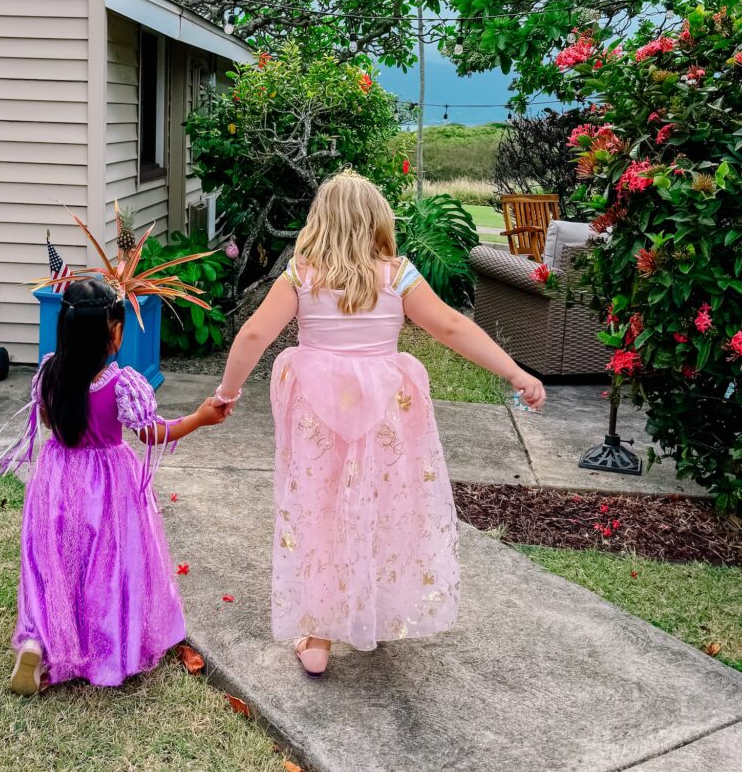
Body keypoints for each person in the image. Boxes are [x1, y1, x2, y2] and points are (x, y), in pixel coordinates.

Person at [213, 170, 545, 676]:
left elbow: (256, 333)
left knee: (320, 509)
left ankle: (318, 636)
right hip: (384, 415)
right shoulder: (397, 274)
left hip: (317, 416)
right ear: (377, 221)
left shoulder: (301, 274)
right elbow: (452, 325)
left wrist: (227, 392)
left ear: (320, 221)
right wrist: (515, 372)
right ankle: (377, 608)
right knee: (381, 503)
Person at [0, 277, 227, 695]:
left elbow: (47, 419)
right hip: (107, 485)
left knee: (56, 566)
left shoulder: (48, 372)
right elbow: (152, 433)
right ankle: (103, 650)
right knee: (105, 566)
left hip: (56, 478)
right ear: (115, 332)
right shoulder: (122, 385)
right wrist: (199, 418)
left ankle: (38, 641)